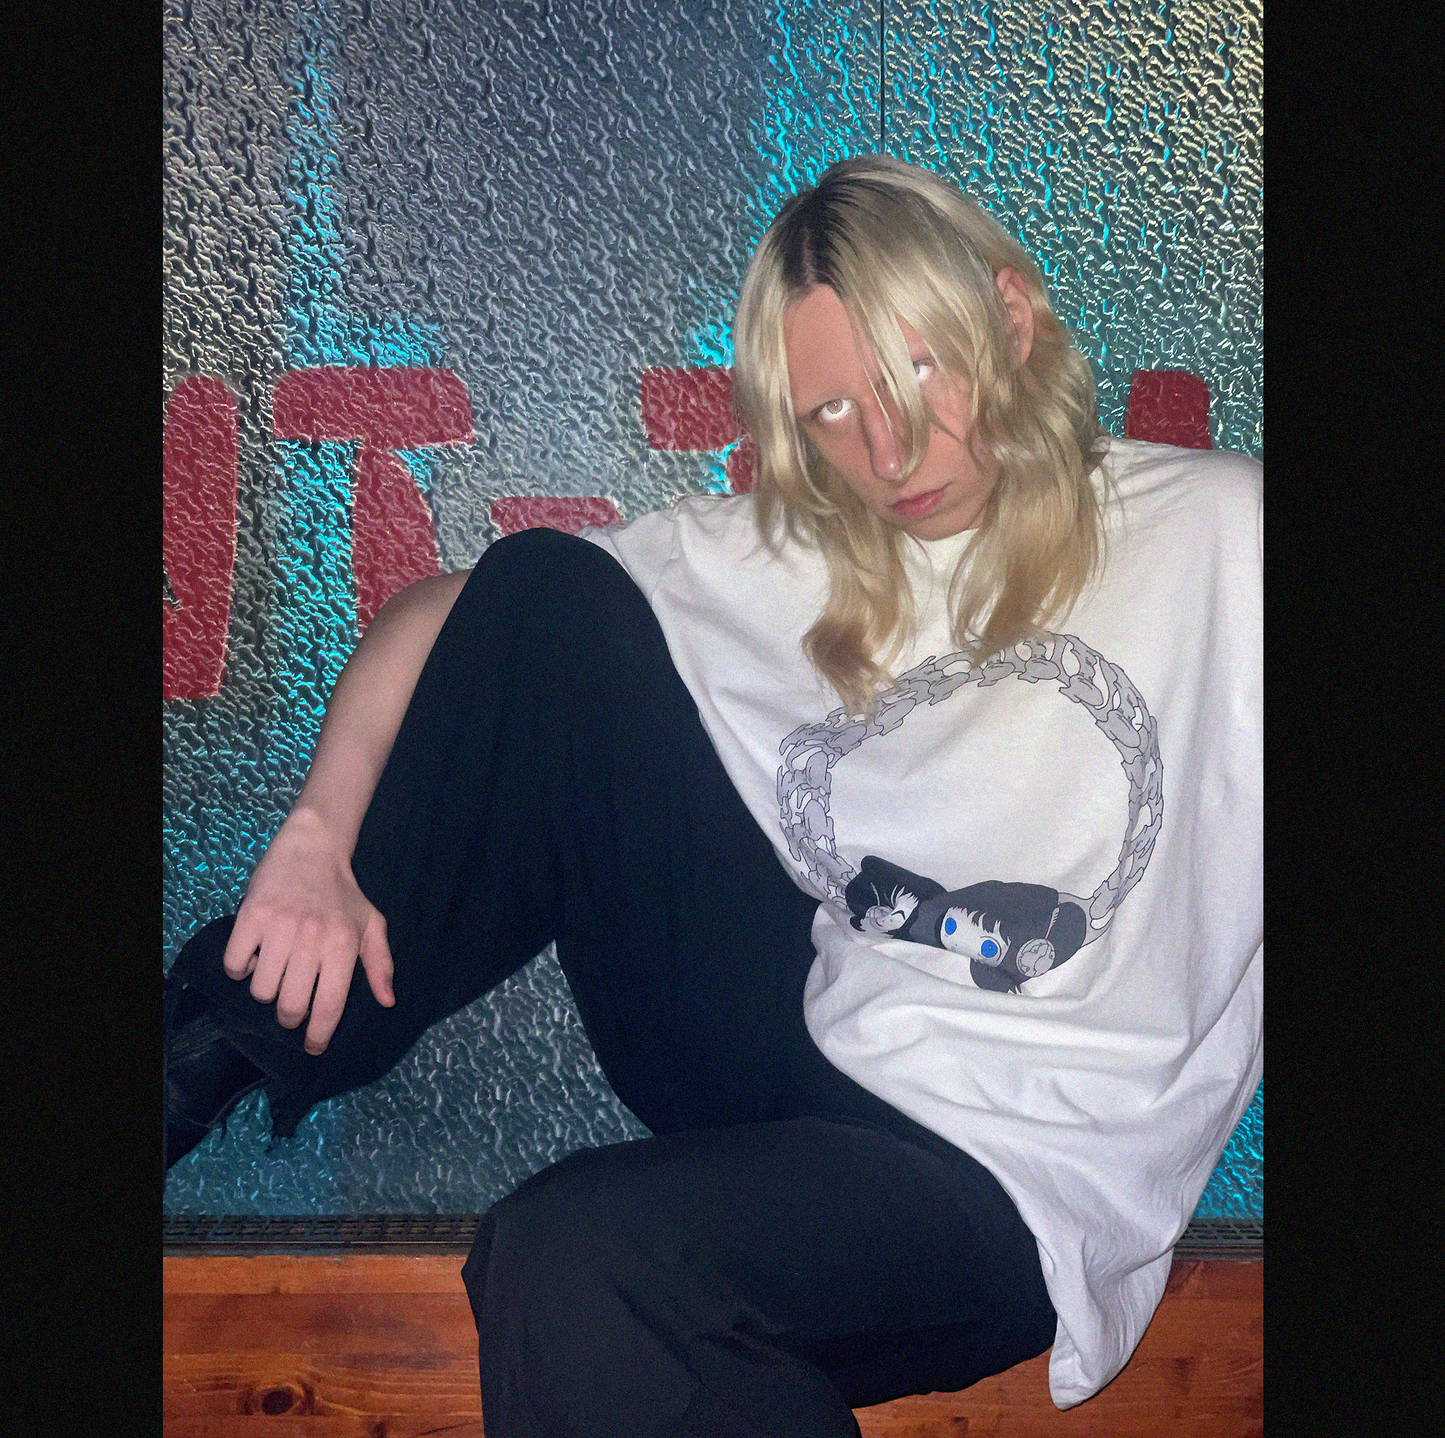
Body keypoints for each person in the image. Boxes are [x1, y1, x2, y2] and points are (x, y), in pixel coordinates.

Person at [164, 154, 1262, 1432]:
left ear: (1009, 322)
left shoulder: (1220, 537)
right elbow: (453, 619)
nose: (888, 448)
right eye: (832, 411)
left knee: (565, 1253)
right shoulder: (808, 551)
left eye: (918, 373)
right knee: (548, 593)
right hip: (798, 1055)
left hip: (1006, 1183)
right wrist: (317, 837)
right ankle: (206, 1049)